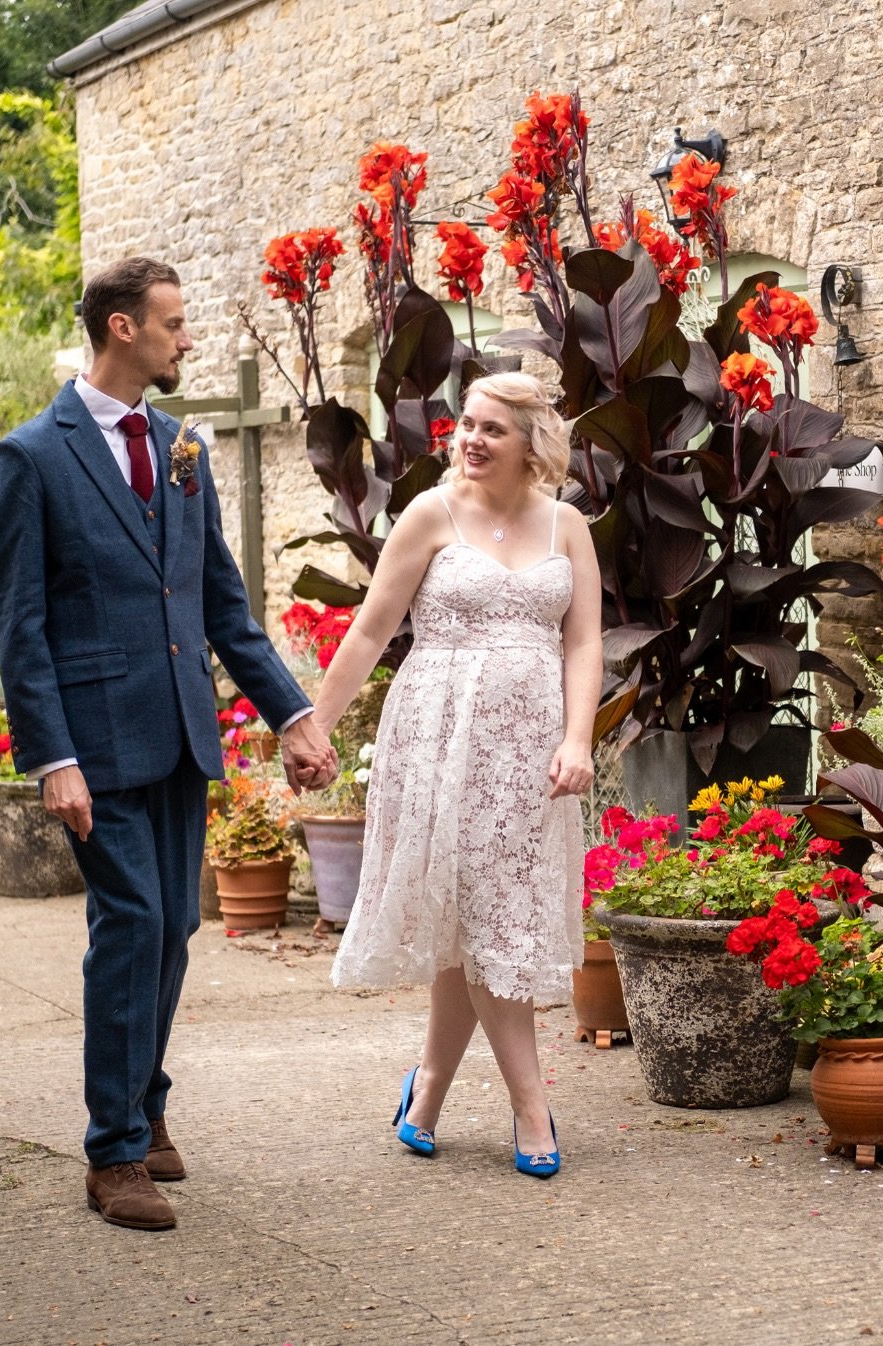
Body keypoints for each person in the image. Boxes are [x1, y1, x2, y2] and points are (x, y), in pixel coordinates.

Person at [0, 257, 337, 1231]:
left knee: (176, 923)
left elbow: (222, 601)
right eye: (174, 325)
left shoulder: (182, 446)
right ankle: (113, 1152)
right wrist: (52, 756)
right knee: (133, 923)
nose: (187, 341)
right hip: (93, 743)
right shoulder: (32, 457)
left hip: (180, 731)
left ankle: (145, 1102)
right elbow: (21, 625)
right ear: (122, 329)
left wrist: (292, 714)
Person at [312, 371, 602, 1177]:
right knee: (474, 911)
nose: (469, 440)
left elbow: (583, 644)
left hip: (531, 751)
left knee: (481, 917)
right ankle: (531, 1105)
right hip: (438, 740)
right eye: (465, 424)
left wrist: (578, 739)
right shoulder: (430, 514)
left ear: (531, 444)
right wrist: (314, 729)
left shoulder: (567, 526)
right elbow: (371, 631)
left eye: (491, 430)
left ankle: (429, 1086)